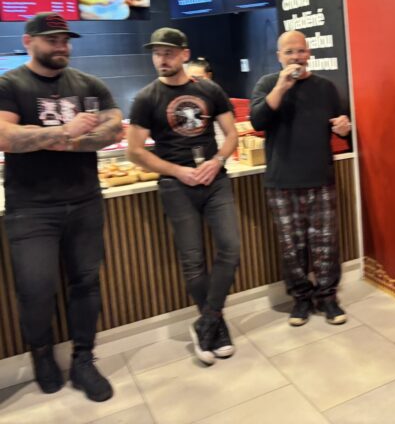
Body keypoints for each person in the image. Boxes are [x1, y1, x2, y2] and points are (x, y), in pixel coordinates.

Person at [0, 13, 124, 402]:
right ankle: (41, 354)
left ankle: (84, 358)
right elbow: (4, 136)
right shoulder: (10, 84)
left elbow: (114, 128)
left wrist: (47, 139)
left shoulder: (89, 84)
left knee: (86, 283)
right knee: (36, 289)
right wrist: (66, 131)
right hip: (30, 208)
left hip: (85, 200)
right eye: (52, 39)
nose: (61, 46)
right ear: (29, 41)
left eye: (65, 40)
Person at [127, 28, 241, 366]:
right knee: (192, 260)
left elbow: (231, 134)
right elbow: (135, 151)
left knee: (231, 248)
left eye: (168, 52)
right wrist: (177, 171)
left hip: (215, 180)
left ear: (184, 54)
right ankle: (216, 327)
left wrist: (217, 160)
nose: (162, 58)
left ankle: (208, 321)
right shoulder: (146, 98)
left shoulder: (209, 89)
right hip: (175, 186)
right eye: (157, 53)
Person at [250, 30, 351, 327]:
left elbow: (342, 126)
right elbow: (257, 120)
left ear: (309, 53)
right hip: (282, 180)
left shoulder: (326, 87)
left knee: (325, 243)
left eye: (301, 51)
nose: (296, 57)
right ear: (279, 57)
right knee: (290, 246)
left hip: (320, 176)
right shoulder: (267, 84)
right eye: (289, 52)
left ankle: (328, 297)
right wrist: (282, 86)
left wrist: (344, 128)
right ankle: (301, 299)